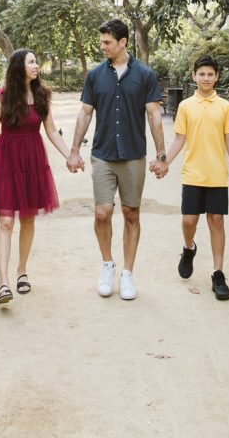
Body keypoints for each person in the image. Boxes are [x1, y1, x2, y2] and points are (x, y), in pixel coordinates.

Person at [67, 18, 165, 301]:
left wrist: (161, 156)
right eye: (101, 42)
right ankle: (107, 264)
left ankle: (128, 274)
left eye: (107, 42)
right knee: (102, 213)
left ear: (123, 43)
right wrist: (74, 150)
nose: (102, 46)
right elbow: (85, 113)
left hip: (134, 154)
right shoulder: (96, 75)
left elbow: (154, 115)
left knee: (131, 214)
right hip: (103, 154)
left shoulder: (145, 75)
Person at [0, 49, 76, 305]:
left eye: (35, 62)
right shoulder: (2, 97)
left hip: (33, 161)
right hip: (7, 160)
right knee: (6, 222)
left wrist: (69, 155)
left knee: (28, 219)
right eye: (31, 62)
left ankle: (22, 270)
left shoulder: (42, 95)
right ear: (18, 67)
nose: (36, 66)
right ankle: (3, 283)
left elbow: (52, 131)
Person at [151, 54, 229, 300]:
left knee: (216, 220)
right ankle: (189, 248)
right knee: (189, 221)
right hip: (192, 174)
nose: (205, 78)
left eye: (210, 74)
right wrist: (164, 163)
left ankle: (218, 273)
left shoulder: (225, 106)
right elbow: (179, 139)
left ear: (217, 77)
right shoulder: (185, 106)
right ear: (194, 76)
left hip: (216, 175)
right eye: (201, 74)